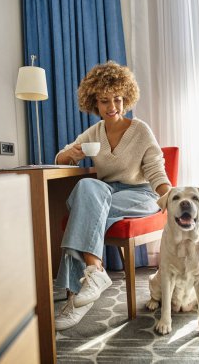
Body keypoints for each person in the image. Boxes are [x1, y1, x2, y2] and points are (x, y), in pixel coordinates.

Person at [54, 61, 171, 330]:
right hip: (106, 194)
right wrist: (70, 155)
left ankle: (76, 299)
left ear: (126, 98)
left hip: (140, 195)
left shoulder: (139, 130)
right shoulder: (94, 133)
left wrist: (169, 196)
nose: (112, 107)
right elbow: (62, 155)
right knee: (86, 188)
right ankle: (95, 271)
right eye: (104, 101)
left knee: (82, 209)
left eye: (117, 99)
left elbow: (155, 169)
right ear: (94, 102)